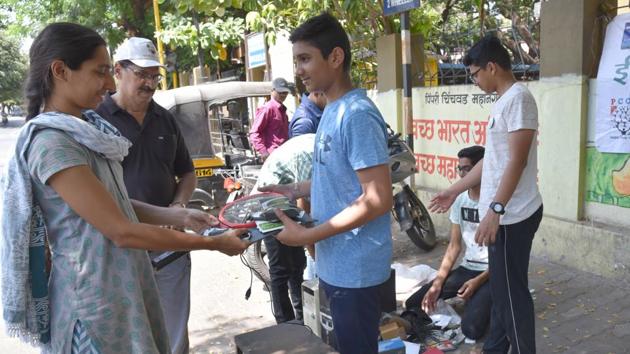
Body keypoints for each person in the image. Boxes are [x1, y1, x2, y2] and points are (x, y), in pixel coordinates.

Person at [0, 23, 249, 353]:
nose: (107, 83)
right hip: (91, 309)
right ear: (60, 71)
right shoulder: (52, 144)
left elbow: (114, 203)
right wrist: (212, 245)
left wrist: (182, 215)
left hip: (118, 293)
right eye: (100, 72)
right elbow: (121, 230)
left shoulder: (86, 131)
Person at [260, 13, 393, 354]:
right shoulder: (331, 109)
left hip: (356, 268)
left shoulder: (357, 114)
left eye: (305, 59)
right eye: (296, 61)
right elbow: (335, 177)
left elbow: (378, 199)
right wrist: (293, 190)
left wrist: (307, 236)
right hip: (336, 263)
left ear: (335, 57)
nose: (299, 70)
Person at [429, 35, 543, 354]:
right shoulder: (503, 101)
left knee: (512, 298)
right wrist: (454, 191)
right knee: (503, 298)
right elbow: (492, 161)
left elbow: (517, 162)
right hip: (505, 214)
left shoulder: (518, 98)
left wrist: (494, 210)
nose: (475, 80)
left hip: (514, 216)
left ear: (491, 67)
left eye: (475, 73)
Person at [95, 37, 196, 354]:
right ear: (119, 71)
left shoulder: (165, 118)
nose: (150, 83)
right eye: (142, 74)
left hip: (170, 249)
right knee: (130, 339)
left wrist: (179, 205)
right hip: (120, 250)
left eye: (155, 76)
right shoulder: (95, 120)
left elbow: (187, 173)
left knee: (174, 337)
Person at [405, 145, 491, 341]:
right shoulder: (460, 200)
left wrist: (478, 281)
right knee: (414, 303)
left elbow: (505, 253)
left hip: (493, 272)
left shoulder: (495, 201)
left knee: (471, 330)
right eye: (459, 169)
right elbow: (454, 246)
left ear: (482, 168)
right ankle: (476, 298)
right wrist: (437, 284)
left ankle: (492, 301)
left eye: (467, 169)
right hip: (468, 268)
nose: (462, 174)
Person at [251, 134, 315, 323]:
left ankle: (302, 316)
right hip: (267, 205)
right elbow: (307, 206)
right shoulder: (310, 156)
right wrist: (312, 245)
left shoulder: (322, 147)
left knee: (297, 264)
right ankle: (285, 323)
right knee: (280, 268)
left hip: (287, 201)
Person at [249, 77, 292, 159]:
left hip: (284, 153)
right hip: (273, 155)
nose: (283, 95)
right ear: (273, 91)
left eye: (285, 92)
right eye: (280, 92)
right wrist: (263, 152)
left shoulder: (282, 110)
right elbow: (254, 133)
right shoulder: (267, 108)